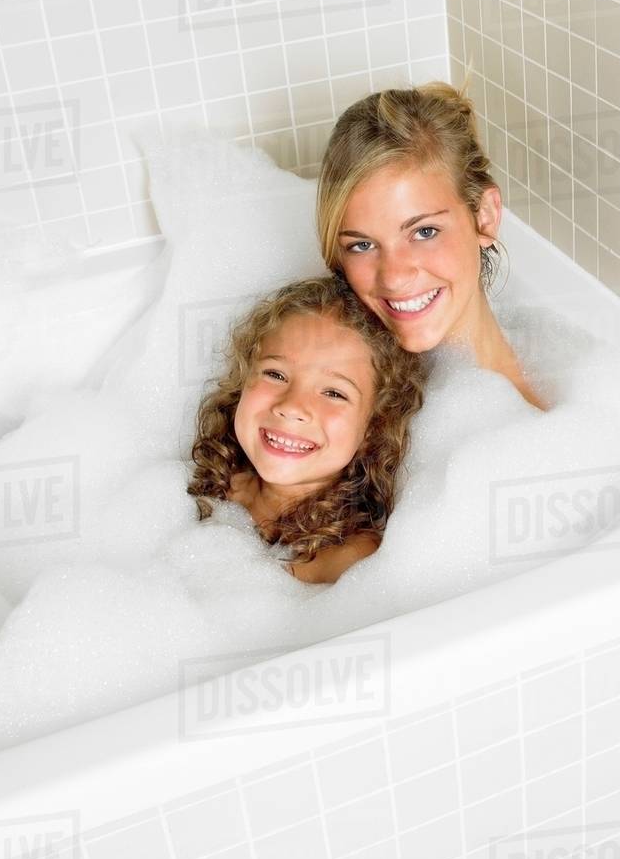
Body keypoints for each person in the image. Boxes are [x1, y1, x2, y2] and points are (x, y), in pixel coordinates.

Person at [317, 82, 545, 409]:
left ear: (485, 216)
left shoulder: (574, 373)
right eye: (363, 245)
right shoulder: (337, 401)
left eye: (424, 232)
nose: (394, 277)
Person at [188, 275, 425, 583]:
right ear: (242, 380)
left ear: (373, 427)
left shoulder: (348, 561)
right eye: (275, 374)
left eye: (334, 393)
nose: (293, 406)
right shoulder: (213, 482)